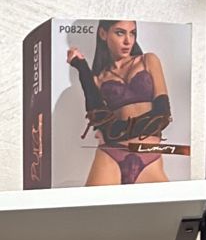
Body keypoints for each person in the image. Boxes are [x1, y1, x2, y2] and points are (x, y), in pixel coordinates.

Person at [67, 19, 172, 186]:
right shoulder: (99, 78)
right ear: (103, 34)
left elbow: (162, 115)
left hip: (149, 159)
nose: (128, 41)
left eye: (132, 33)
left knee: (174, 203)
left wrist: (112, 131)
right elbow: (98, 116)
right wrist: (82, 68)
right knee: (88, 203)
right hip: (110, 156)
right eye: (120, 33)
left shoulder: (148, 60)